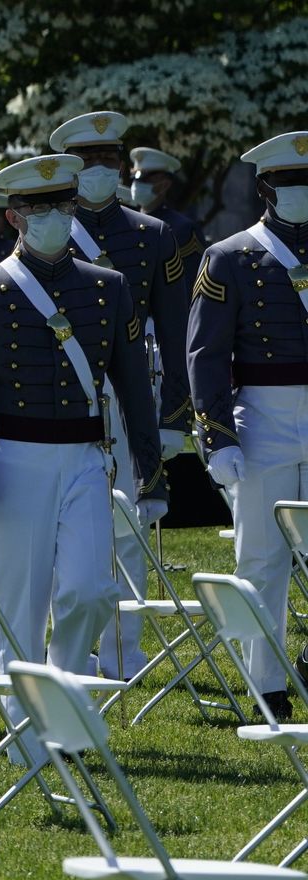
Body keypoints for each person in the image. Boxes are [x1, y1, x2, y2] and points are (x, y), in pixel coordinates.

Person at [0, 153, 164, 733]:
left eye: (62, 206)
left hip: (87, 459)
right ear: (14, 217)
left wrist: (150, 474)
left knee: (89, 590)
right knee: (21, 605)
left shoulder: (108, 289)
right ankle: (23, 730)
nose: (54, 217)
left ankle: (57, 697)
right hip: (15, 459)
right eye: (40, 209)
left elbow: (135, 388)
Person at [47, 112, 192, 679]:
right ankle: (69, 643)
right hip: (60, 393)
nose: (102, 169)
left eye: (111, 157)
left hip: (132, 391)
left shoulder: (154, 235)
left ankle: (123, 651)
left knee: (130, 524)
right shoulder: (46, 227)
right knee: (63, 524)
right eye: (90, 159)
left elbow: (177, 330)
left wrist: (175, 414)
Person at [188, 130, 308, 718]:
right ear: (266, 186)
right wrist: (217, 434)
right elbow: (206, 355)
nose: (301, 193)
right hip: (263, 411)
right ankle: (268, 683)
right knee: (262, 554)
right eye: (291, 183)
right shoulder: (230, 256)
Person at [129, 147, 205, 280]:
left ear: (165, 185)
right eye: (135, 177)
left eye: (144, 178)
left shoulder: (183, 229)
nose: (137, 183)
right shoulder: (126, 222)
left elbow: (188, 282)